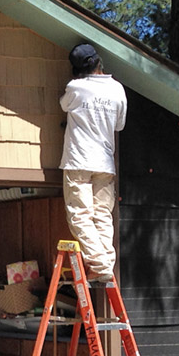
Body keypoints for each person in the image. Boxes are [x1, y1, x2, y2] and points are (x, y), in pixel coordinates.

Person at [59, 43, 127, 282]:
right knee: (102, 215)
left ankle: (99, 264)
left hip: (79, 160)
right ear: (99, 62)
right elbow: (119, 125)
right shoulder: (117, 89)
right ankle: (105, 262)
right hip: (105, 162)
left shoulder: (76, 88)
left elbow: (64, 105)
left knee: (80, 214)